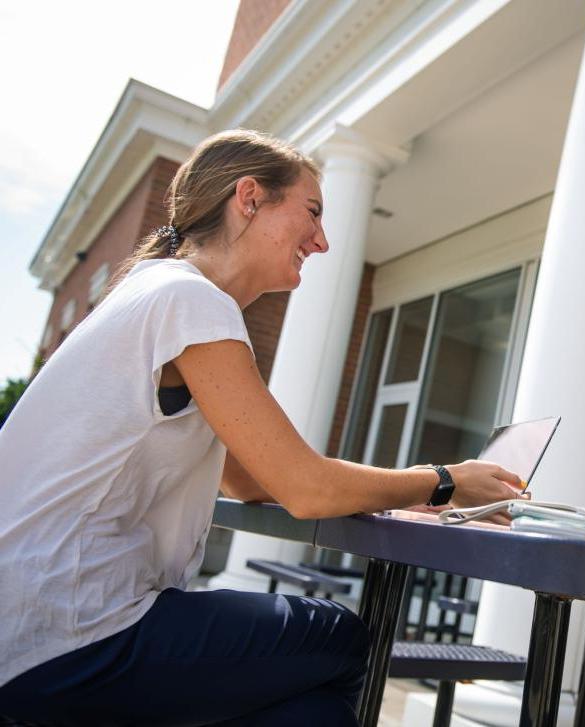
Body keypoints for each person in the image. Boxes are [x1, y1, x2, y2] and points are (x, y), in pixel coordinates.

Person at [0, 129, 523, 726]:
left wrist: (394, 497)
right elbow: (307, 489)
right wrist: (443, 480)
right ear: (249, 198)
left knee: (313, 712)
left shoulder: (154, 292)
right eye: (312, 213)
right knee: (338, 638)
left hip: (32, 623)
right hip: (63, 628)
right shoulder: (190, 300)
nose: (323, 241)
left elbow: (251, 481)